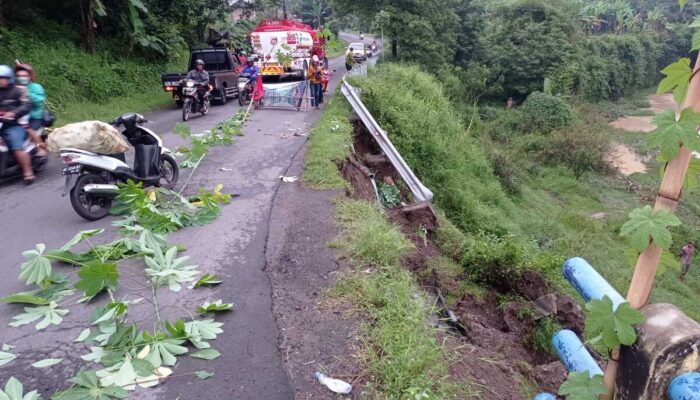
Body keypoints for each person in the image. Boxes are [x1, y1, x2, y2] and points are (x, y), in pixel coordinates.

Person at [0, 65, 33, 184]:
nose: (1, 80)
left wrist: (13, 113)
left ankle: (28, 173)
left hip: (13, 125)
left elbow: (27, 105)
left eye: (3, 78)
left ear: (9, 78)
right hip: (0, 126)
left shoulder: (18, 90)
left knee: (16, 147)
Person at [15, 64, 47, 157]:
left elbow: (39, 101)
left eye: (24, 76)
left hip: (34, 116)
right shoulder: (13, 87)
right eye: (19, 76)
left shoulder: (36, 87)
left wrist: (26, 92)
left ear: (30, 76)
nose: (21, 78)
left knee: (29, 130)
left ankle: (40, 149)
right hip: (18, 116)